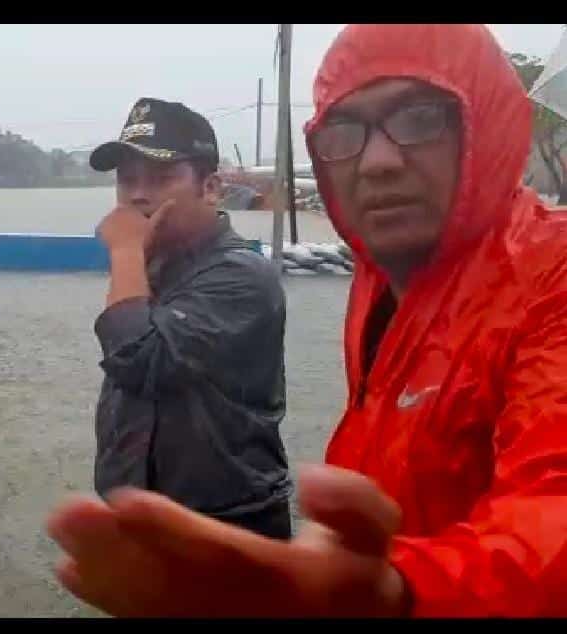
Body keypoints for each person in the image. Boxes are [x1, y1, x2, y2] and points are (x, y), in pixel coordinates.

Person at [45, 24, 567, 618]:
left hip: (234, 526)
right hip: (179, 533)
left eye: (420, 119)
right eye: (346, 132)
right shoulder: (384, 284)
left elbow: (553, 508)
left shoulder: (241, 276)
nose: (377, 162)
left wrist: (400, 592)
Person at [87, 97, 292, 539]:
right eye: (127, 180)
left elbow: (138, 358)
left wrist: (123, 251)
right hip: (143, 521)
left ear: (211, 188)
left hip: (227, 526)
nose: (138, 195)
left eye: (161, 178)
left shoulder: (241, 276)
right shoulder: (155, 265)